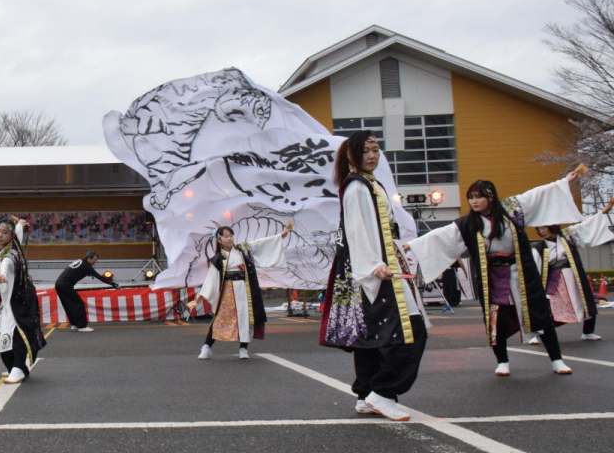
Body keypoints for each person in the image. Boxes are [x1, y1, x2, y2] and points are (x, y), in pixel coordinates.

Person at [405, 170, 585, 377]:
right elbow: (441, 235)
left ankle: (557, 360)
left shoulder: (512, 210)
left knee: (539, 315)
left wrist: (564, 181)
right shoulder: (468, 223)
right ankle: (502, 361)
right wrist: (412, 245)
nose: (474, 201)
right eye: (471, 197)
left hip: (521, 273)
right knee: (496, 320)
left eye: (478, 197)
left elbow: (537, 195)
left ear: (490, 197)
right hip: (492, 276)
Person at [319, 131, 429, 422]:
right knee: (410, 331)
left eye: (376, 149)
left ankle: (366, 394)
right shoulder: (357, 186)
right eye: (365, 150)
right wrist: (372, 264)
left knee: (371, 334)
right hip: (374, 269)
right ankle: (383, 393)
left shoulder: (369, 184)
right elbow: (355, 229)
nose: (372, 155)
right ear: (351, 155)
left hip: (378, 264)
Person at [187, 222, 292, 360]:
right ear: (219, 239)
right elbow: (212, 278)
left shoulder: (242, 249)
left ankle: (243, 348)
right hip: (227, 291)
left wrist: (281, 235)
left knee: (245, 318)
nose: (229, 238)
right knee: (220, 318)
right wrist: (200, 295)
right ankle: (206, 347)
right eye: (226, 236)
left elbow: (259, 244)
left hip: (244, 289)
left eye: (231, 235)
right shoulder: (219, 258)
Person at [528, 197, 614, 343]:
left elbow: (586, 225)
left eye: (543, 227)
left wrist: (606, 210)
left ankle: (588, 332)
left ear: (552, 226)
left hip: (573, 278)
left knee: (586, 302)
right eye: (539, 229)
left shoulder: (568, 236)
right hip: (554, 281)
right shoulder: (539, 248)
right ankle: (535, 333)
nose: (541, 231)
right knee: (547, 308)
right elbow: (534, 268)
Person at [0, 217, 46, 384]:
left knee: (16, 333)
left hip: (18, 301)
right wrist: (20, 225)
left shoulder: (10, 256)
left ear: (10, 236)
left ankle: (18, 368)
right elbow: (17, 235)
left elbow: (6, 266)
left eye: (4, 232)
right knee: (2, 331)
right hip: (8, 301)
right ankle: (15, 367)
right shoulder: (8, 247)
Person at [54, 251, 119, 332]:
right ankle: (82, 326)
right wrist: (114, 284)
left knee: (68, 305)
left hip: (58, 284)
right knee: (79, 304)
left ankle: (74, 324)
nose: (95, 262)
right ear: (89, 258)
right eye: (94, 259)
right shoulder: (87, 266)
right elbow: (100, 278)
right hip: (66, 285)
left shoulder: (80, 261)